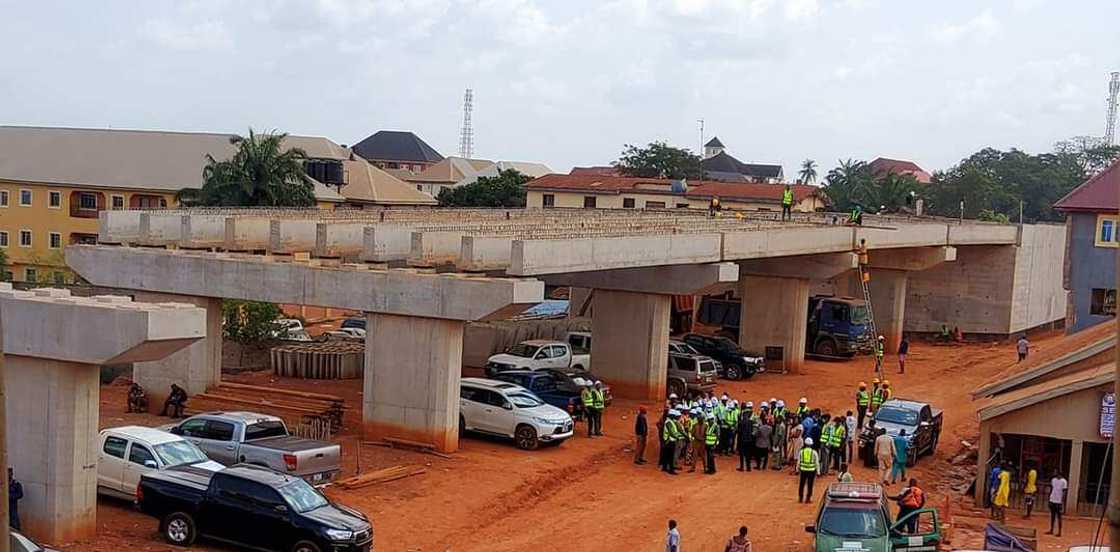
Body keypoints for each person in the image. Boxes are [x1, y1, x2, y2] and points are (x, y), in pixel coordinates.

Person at [798, 438, 820, 503]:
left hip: (803, 470)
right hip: (811, 471)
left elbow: (798, 462)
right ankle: (808, 498)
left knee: (802, 484)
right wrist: (818, 472)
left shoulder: (801, 451)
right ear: (811, 444)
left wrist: (797, 469)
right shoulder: (814, 452)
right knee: (810, 485)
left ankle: (800, 498)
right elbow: (817, 463)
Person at [1047, 470, 1067, 536]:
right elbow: (1051, 489)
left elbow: (1064, 491)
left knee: (1059, 516)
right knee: (1052, 516)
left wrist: (1062, 501)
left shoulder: (1064, 481)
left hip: (1058, 501)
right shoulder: (1053, 480)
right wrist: (1050, 498)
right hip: (1053, 499)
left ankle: (1059, 531)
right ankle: (1051, 529)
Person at [736, 404, 755, 472]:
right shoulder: (751, 422)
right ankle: (748, 467)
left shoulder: (742, 422)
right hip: (749, 440)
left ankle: (742, 467)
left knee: (742, 454)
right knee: (748, 455)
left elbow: (739, 431)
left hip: (743, 440)